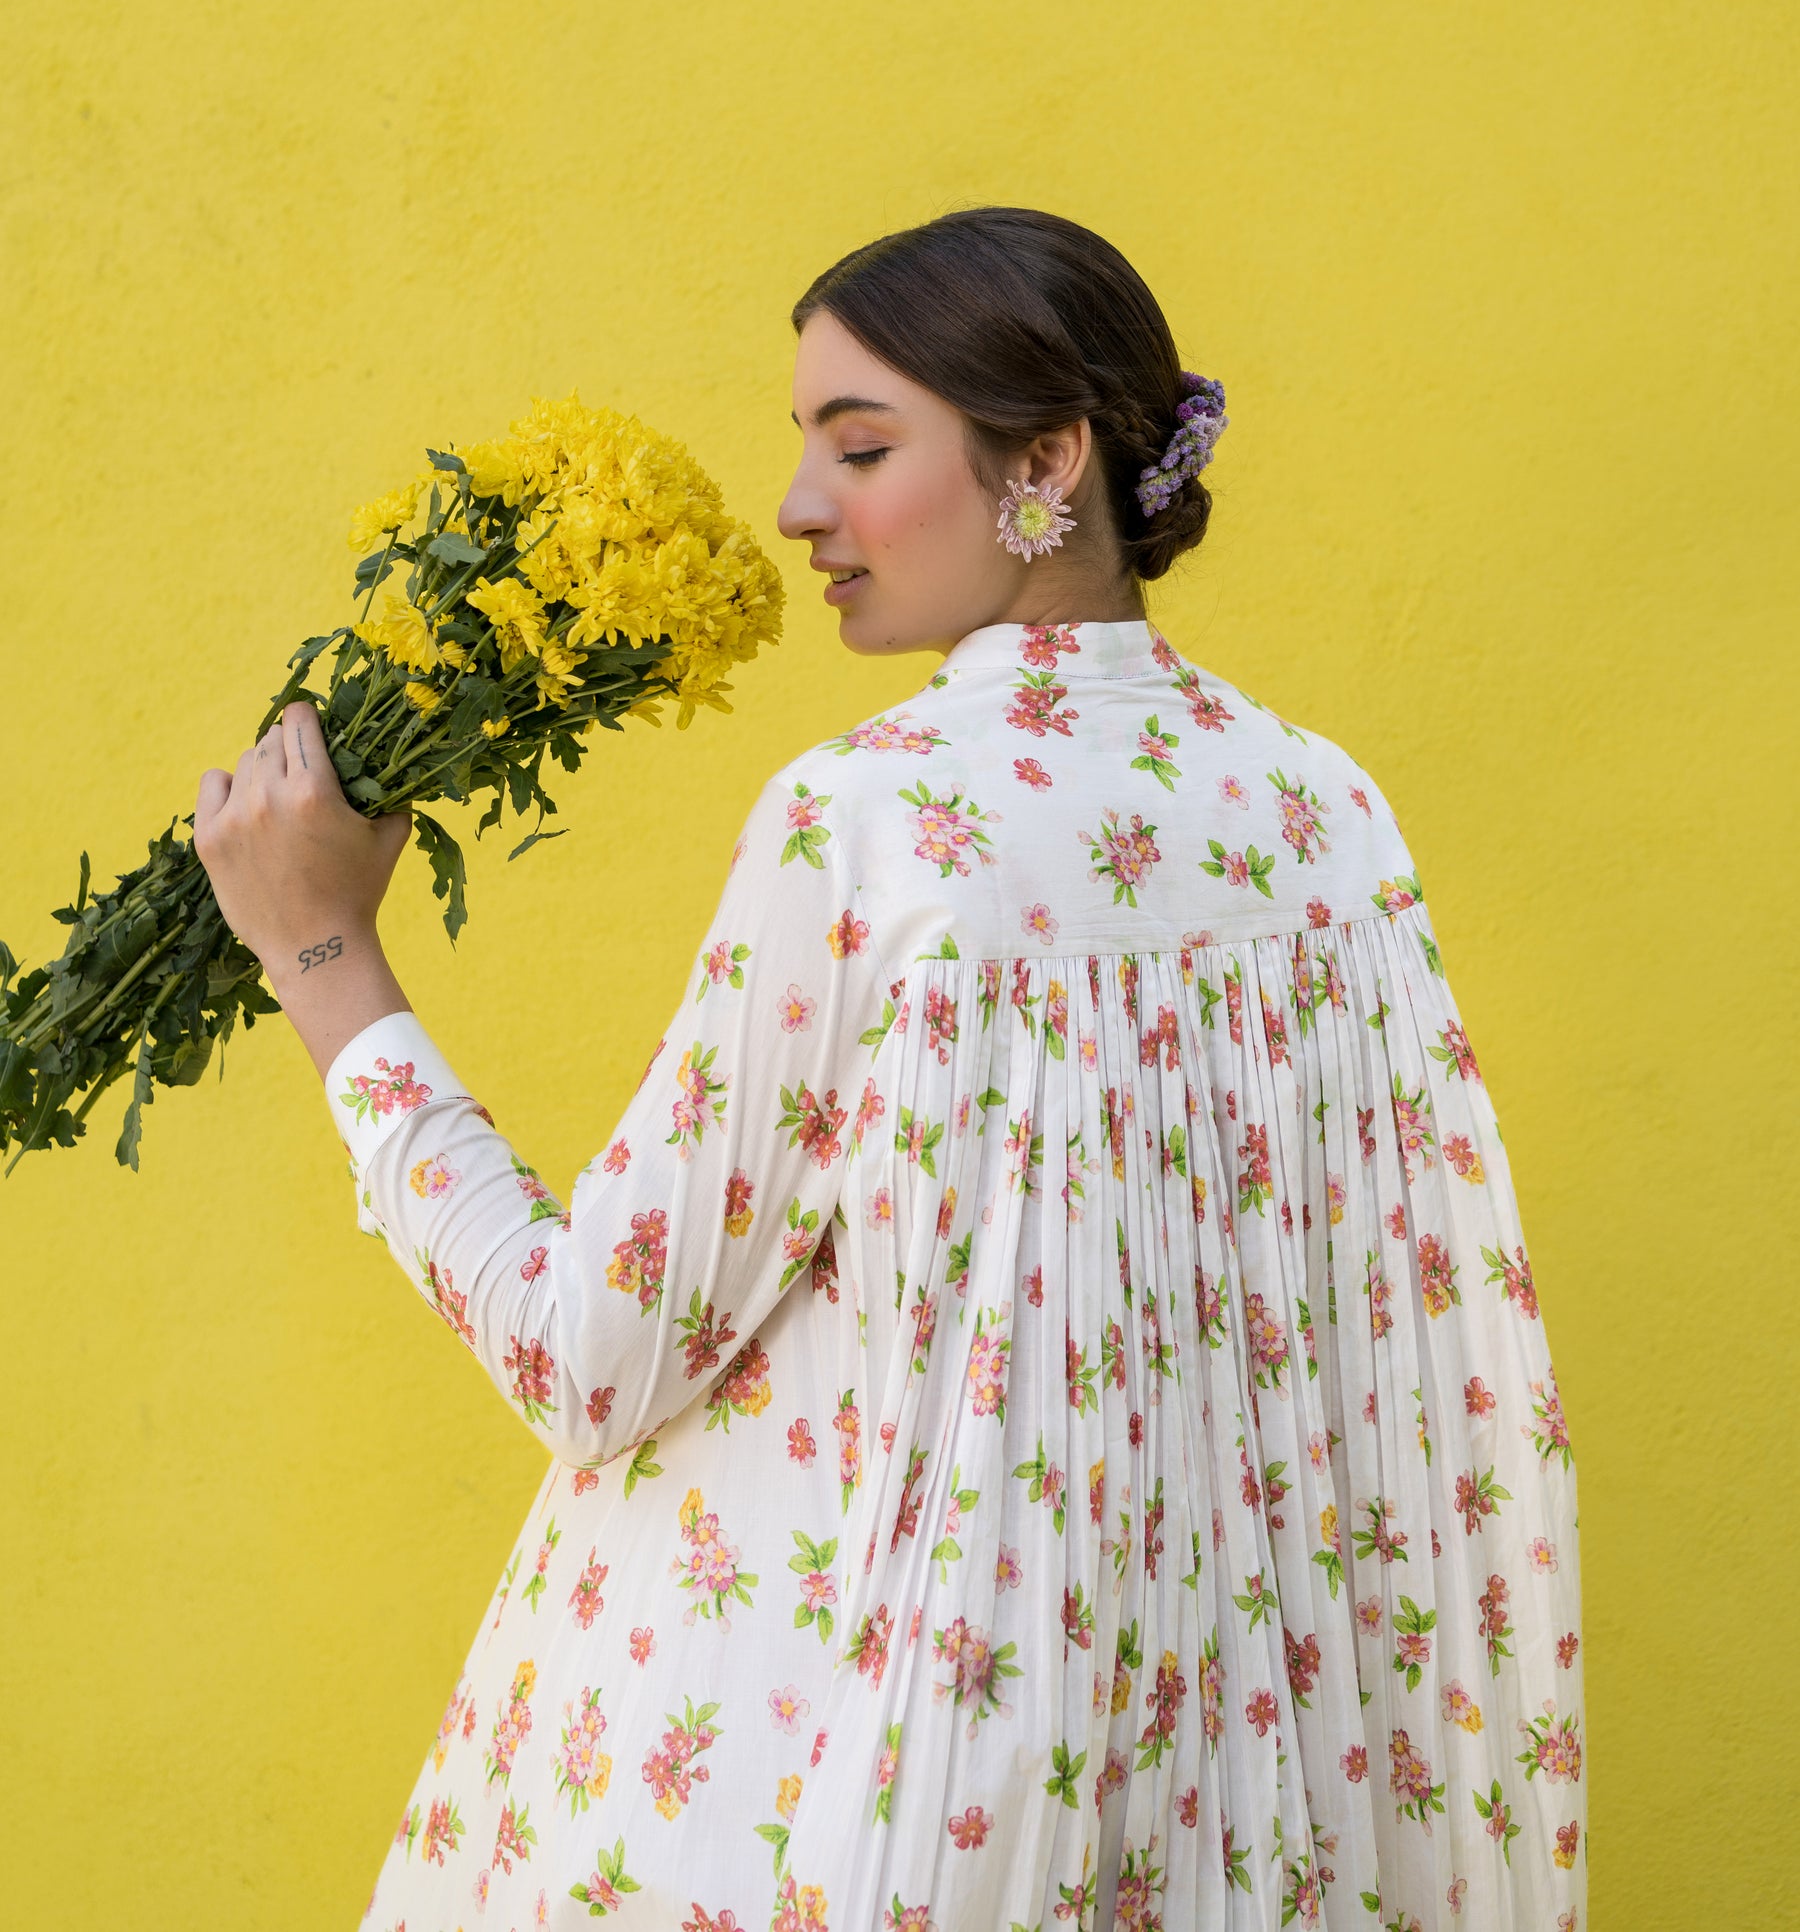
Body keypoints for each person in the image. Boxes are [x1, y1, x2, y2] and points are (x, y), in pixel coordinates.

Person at [196, 208, 1584, 1932]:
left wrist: (324, 962)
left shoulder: (879, 829)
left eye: (858, 446)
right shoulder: (1325, 817)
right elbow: (1406, 1389)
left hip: (861, 1796)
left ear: (1050, 460)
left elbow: (591, 1355)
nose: (794, 508)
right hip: (1221, 1808)